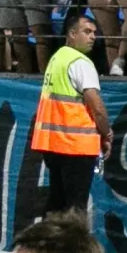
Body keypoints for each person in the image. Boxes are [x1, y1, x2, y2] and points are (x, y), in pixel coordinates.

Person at [29, 12, 111, 214]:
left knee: (57, 202)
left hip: (53, 145)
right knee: (76, 207)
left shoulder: (56, 59)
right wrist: (106, 132)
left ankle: (48, 244)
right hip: (76, 146)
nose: (93, 37)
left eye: (94, 32)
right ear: (72, 34)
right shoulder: (81, 63)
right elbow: (97, 107)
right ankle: (71, 246)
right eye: (87, 31)